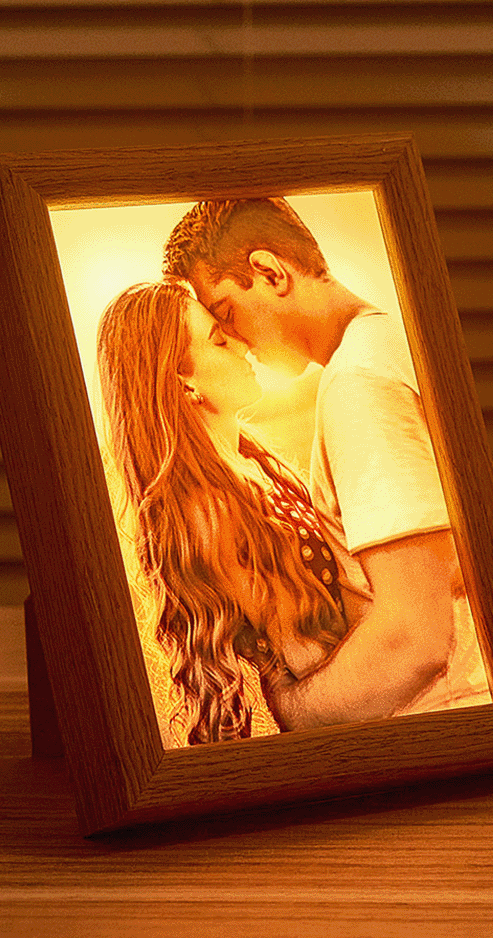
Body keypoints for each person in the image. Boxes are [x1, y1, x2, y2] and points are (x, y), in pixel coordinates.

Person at [163, 198, 491, 731]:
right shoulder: (396, 341)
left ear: (270, 272)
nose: (238, 342)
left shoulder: (359, 385)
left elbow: (415, 637)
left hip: (444, 717)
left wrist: (295, 712)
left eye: (226, 314)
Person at [96, 280, 348, 746]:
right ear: (182, 381)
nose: (242, 343)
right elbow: (307, 656)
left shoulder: (256, 464)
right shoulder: (209, 512)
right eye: (218, 339)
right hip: (341, 716)